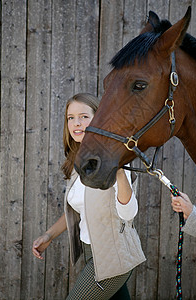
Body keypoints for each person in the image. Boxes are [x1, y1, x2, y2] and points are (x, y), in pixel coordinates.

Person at [32, 93, 146, 299]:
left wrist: (119, 172)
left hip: (112, 257)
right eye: (71, 117)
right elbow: (79, 209)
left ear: (98, 119)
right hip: (90, 253)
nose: (76, 123)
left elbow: (128, 213)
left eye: (84, 116)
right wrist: (49, 235)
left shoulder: (113, 159)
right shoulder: (79, 161)